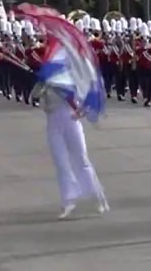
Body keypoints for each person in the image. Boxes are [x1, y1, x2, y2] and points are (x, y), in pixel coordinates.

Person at [34, 81, 108, 220]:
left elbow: (87, 94)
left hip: (71, 121)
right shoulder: (46, 80)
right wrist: (43, 84)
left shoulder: (72, 79)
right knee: (61, 163)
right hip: (53, 123)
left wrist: (84, 110)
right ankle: (67, 201)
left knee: (81, 160)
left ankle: (97, 197)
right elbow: (34, 95)